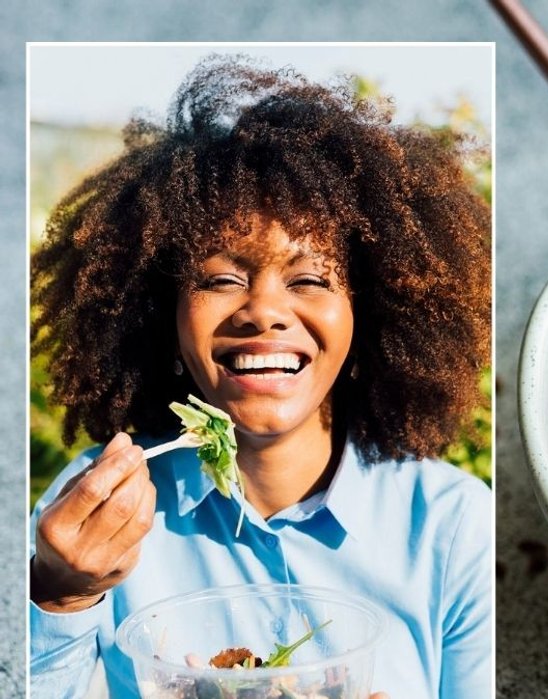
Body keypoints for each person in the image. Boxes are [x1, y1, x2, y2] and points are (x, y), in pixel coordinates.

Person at [29, 55, 493, 698]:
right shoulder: (89, 519)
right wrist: (60, 596)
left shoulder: (453, 528)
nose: (265, 313)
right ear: (161, 317)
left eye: (309, 280)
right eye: (222, 279)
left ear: (372, 317)